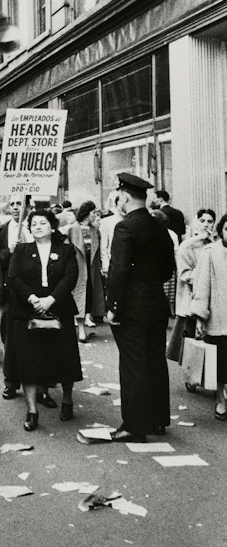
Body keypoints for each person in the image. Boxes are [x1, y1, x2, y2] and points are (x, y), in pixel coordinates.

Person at [106, 173, 174, 443]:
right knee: (155, 361)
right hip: (156, 303)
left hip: (131, 308)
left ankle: (134, 426)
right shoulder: (159, 226)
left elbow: (118, 270)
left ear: (124, 196)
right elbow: (168, 269)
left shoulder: (125, 228)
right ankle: (158, 419)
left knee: (133, 365)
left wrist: (113, 306)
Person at [7, 210, 81, 430]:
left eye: (42, 223)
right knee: (28, 361)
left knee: (64, 357)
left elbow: (71, 277)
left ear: (52, 226)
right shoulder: (21, 250)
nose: (38, 226)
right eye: (34, 224)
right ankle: (32, 411)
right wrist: (32, 298)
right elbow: (14, 277)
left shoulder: (66, 250)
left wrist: (51, 299)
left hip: (59, 308)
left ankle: (67, 400)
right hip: (27, 310)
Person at [0, 195, 37, 401]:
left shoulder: (37, 227)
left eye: (20, 203)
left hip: (35, 291)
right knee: (10, 337)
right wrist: (9, 251)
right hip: (10, 293)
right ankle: (11, 381)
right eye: (13, 204)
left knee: (36, 336)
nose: (17, 208)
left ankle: (39, 385)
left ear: (29, 205)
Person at [167, 209, 216, 370]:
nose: (206, 225)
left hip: (213, 300)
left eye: (210, 221)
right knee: (192, 340)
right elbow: (184, 274)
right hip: (191, 299)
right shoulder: (187, 246)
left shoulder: (216, 244)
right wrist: (204, 276)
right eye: (202, 221)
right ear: (196, 222)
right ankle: (192, 374)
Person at [192, 213, 227, 420]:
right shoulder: (210, 253)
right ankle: (221, 399)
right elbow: (202, 286)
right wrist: (200, 316)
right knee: (221, 362)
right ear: (221, 231)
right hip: (219, 318)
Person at [68, 200, 105, 342]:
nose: (96, 215)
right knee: (79, 295)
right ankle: (81, 330)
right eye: (93, 212)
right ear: (86, 214)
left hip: (91, 268)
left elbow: (99, 250)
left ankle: (87, 319)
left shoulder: (95, 230)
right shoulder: (72, 229)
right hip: (77, 268)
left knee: (89, 294)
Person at [100, 192, 125, 277]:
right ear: (116, 206)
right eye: (121, 206)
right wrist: (105, 266)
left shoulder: (134, 221)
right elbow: (103, 246)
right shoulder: (106, 222)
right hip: (113, 263)